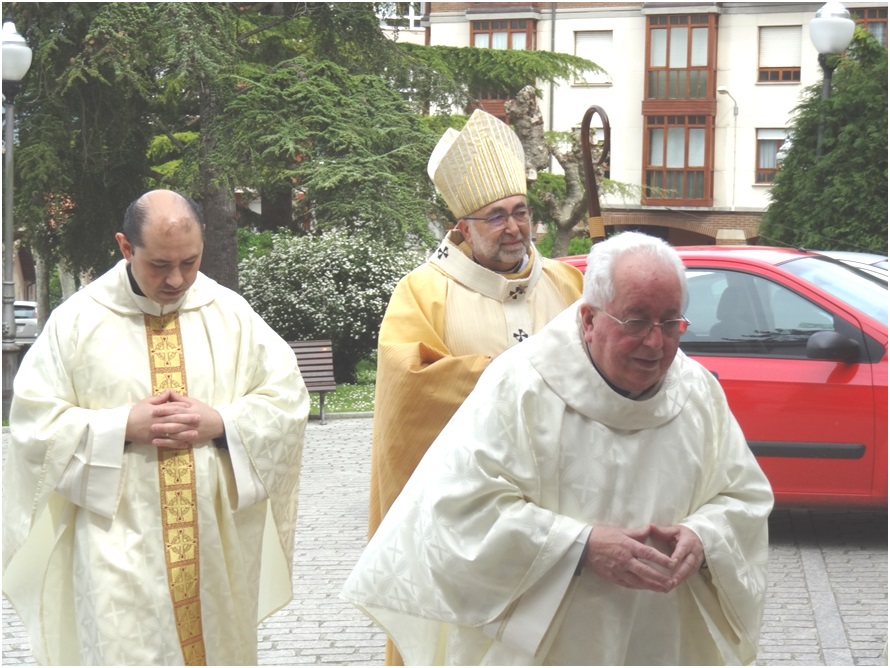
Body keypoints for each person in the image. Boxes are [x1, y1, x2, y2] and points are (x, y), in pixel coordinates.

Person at [344, 231, 774, 665]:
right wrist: (580, 547)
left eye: (670, 322)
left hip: (662, 638)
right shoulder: (520, 386)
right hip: (551, 645)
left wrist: (704, 537)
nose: (656, 343)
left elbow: (743, 495)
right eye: (637, 321)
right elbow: (459, 509)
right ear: (589, 319)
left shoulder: (696, 392)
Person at [2, 190, 309, 666]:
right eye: (160, 264)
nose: (177, 279)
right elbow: (32, 424)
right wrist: (122, 424)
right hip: (115, 544)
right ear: (126, 248)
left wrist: (220, 421)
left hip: (210, 544)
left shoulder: (230, 315)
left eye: (190, 261)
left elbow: (287, 401)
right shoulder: (77, 323)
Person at [368, 108, 582, 664]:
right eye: (496, 217)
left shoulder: (565, 282)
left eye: (521, 212)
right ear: (462, 228)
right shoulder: (424, 292)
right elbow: (408, 385)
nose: (515, 228)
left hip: (560, 503)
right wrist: (510, 374)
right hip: (471, 509)